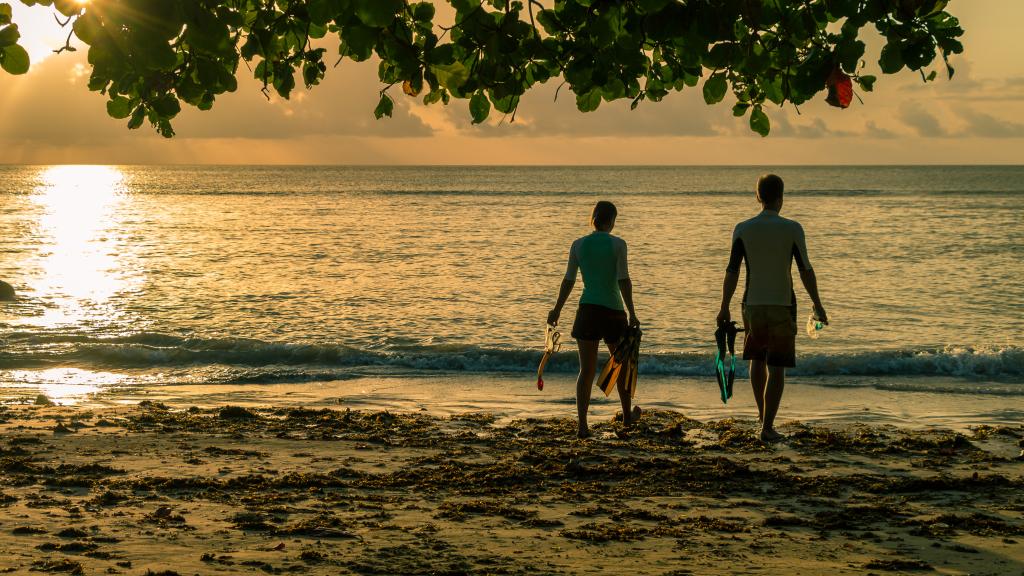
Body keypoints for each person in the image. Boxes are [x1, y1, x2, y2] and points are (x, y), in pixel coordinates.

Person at [716, 174, 827, 443]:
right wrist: (818, 304)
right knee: (777, 367)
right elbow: (805, 270)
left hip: (752, 304)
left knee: (756, 360)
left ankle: (761, 416)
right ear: (781, 197)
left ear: (757, 196)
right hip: (782, 305)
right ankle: (767, 427)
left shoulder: (743, 228)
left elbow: (732, 271)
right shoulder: (792, 229)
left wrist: (724, 307)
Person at [548, 201, 640, 439]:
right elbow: (623, 280)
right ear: (612, 221)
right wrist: (632, 312)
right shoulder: (619, 244)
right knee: (620, 365)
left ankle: (582, 427)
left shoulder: (578, 245)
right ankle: (627, 418)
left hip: (587, 311)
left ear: (593, 219)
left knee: (586, 371)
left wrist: (557, 309)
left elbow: (568, 280)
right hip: (613, 312)